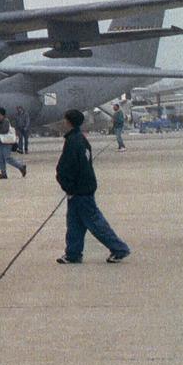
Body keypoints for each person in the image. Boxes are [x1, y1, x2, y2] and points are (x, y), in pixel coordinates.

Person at [55, 108, 129, 265]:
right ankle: (73, 254)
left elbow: (69, 166)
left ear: (68, 122)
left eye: (65, 119)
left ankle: (119, 248)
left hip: (79, 190)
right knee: (74, 223)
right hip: (81, 188)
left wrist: (68, 185)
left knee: (95, 223)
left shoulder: (74, 142)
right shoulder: (80, 139)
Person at [0, 108, 27, 179]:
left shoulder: (6, 121)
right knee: (0, 158)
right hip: (1, 142)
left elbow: (5, 131)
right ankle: (3, 173)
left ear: (0, 114)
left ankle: (21, 166)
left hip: (7, 142)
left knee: (7, 158)